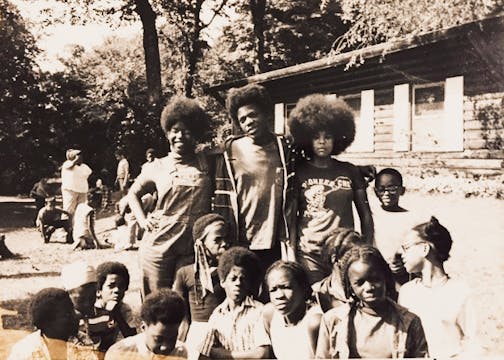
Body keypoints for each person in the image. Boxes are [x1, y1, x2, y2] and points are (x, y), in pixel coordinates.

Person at [128, 96, 213, 297]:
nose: (180, 136)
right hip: (159, 246)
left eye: (187, 131)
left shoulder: (207, 161)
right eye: (175, 131)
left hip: (193, 247)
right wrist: (142, 221)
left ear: (195, 135)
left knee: (190, 302)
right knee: (159, 303)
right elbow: (132, 194)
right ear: (167, 133)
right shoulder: (156, 166)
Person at [288, 94, 374, 284]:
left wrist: (367, 248)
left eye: (327, 137)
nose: (322, 142)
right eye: (316, 137)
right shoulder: (298, 173)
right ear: (307, 139)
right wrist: (292, 254)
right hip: (309, 253)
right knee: (315, 303)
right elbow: (292, 219)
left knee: (345, 301)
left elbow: (365, 214)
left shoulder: (350, 170)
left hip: (344, 251)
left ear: (337, 140)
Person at [213, 84, 298, 277]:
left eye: (253, 115)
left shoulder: (284, 148)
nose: (248, 122)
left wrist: (357, 170)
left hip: (276, 240)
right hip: (240, 239)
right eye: (242, 119)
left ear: (266, 114)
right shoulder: (229, 151)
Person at [316, 245, 428, 358]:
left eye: (375, 279)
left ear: (386, 278)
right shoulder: (333, 321)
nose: (369, 288)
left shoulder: (410, 322)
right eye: (360, 283)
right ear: (350, 287)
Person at [398, 216, 481, 358]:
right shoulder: (406, 292)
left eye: (406, 248)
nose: (401, 255)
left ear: (425, 249)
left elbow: (474, 342)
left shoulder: (460, 292)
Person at [197, 247, 270, 359]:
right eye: (233, 279)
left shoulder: (259, 310)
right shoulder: (217, 315)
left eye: (243, 279)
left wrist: (222, 354)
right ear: (223, 282)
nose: (238, 283)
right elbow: (205, 353)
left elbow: (262, 354)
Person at [173, 213, 229, 354]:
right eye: (217, 240)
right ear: (201, 243)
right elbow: (182, 318)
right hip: (199, 333)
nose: (225, 244)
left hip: (227, 331)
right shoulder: (185, 273)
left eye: (226, 239)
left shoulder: (231, 273)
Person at [262, 261, 322, 360]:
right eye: (273, 290)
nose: (279, 295)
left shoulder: (314, 322)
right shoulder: (270, 315)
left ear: (303, 288)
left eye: (286, 287)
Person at [105, 289, 188, 359]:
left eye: (172, 339)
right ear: (144, 328)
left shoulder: (180, 352)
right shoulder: (120, 353)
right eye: (158, 339)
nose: (166, 347)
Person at [372, 168, 417, 284]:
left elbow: (414, 245)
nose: (386, 193)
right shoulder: (370, 215)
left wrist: (403, 262)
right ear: (375, 191)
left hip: (402, 271)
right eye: (381, 189)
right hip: (376, 271)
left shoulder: (411, 217)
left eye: (392, 189)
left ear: (402, 190)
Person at [7, 287, 79, 360]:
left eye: (73, 309)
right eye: (67, 314)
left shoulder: (84, 343)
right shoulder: (24, 353)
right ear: (48, 324)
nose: (77, 314)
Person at [312, 228, 367, 312]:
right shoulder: (316, 294)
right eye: (351, 256)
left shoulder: (369, 288)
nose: (359, 260)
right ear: (334, 259)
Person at [92, 261, 137, 352]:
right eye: (111, 286)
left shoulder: (124, 309)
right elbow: (100, 345)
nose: (117, 290)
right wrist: (107, 314)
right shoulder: (93, 310)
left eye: (121, 286)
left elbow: (132, 339)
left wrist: (116, 313)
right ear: (99, 290)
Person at [60, 261, 102, 358]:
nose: (87, 303)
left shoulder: (101, 315)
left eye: (92, 297)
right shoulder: (60, 323)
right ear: (67, 294)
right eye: (81, 299)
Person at [61, 148, 92, 218]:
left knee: (82, 210)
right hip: (70, 191)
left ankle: (79, 227)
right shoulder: (67, 164)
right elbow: (70, 166)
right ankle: (65, 227)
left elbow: (88, 174)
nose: (81, 158)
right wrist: (76, 160)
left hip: (82, 191)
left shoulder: (84, 166)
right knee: (68, 210)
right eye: (78, 156)